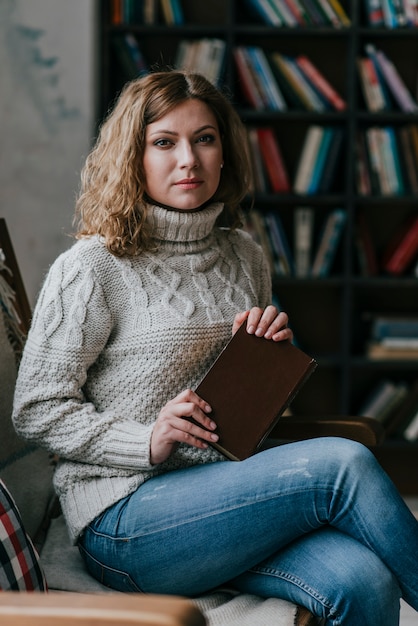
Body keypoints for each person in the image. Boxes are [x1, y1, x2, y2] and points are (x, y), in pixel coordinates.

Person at [12, 70, 418, 626]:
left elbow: (246, 420)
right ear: (133, 157)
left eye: (204, 138)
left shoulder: (244, 255)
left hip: (227, 501)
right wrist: (147, 439)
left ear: (223, 152)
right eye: (164, 142)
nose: (189, 159)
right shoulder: (93, 266)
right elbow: (35, 408)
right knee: (342, 462)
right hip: (126, 518)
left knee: (363, 581)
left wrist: (271, 357)